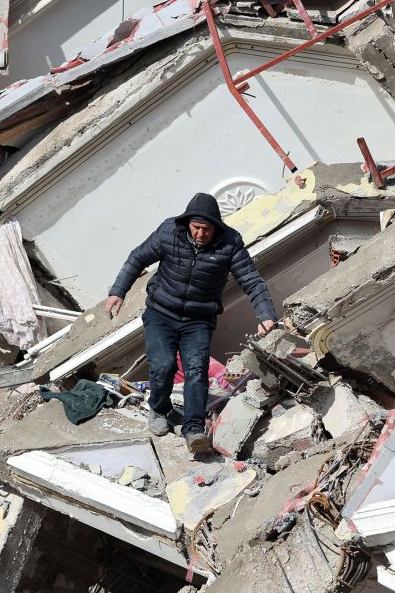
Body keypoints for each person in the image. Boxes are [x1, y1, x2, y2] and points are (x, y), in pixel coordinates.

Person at [106, 193, 277, 453]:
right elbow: (137, 258)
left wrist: (266, 315)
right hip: (160, 312)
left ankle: (194, 429)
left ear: (216, 227)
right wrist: (118, 291)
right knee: (163, 365)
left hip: (198, 319)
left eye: (206, 229)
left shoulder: (230, 243)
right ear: (187, 224)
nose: (200, 234)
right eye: (196, 228)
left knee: (196, 370)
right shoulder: (169, 231)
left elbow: (252, 281)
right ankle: (159, 410)